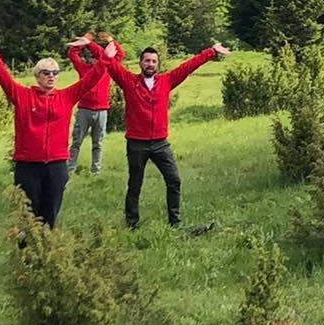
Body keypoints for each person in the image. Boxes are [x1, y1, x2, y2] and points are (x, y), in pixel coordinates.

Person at [96, 37, 230, 228]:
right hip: (136, 143)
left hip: (160, 143)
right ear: (140, 63)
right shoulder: (128, 80)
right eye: (147, 60)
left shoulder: (166, 81)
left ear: (157, 64)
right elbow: (109, 63)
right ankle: (132, 223)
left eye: (153, 61)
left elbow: (188, 67)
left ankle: (174, 222)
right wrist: (95, 48)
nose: (150, 64)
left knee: (174, 180)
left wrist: (211, 51)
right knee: (135, 184)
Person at [0, 32, 90, 226]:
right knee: (28, 215)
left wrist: (105, 57)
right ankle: (26, 252)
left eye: (55, 72)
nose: (51, 76)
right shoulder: (23, 96)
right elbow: (4, 79)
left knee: (50, 213)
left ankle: (48, 251)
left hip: (57, 165)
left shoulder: (66, 96)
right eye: (46, 73)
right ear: (37, 76)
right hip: (28, 165)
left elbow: (92, 79)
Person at [65, 30, 115, 174]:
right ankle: (70, 169)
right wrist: (82, 43)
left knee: (98, 143)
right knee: (76, 142)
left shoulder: (106, 68)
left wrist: (92, 43)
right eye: (91, 57)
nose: (94, 60)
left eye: (95, 57)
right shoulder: (83, 68)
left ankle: (96, 171)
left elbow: (117, 54)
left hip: (102, 110)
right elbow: (72, 55)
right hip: (84, 110)